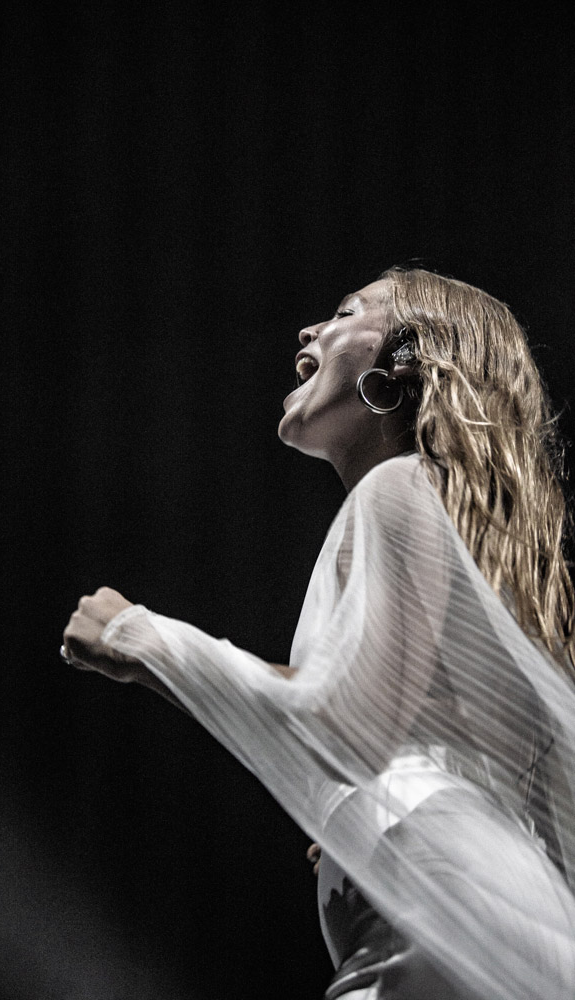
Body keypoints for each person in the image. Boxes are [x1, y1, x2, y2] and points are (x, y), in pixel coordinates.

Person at [62, 268, 575, 999]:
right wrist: (361, 806)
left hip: (445, 913)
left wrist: (140, 638)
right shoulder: (454, 525)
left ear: (404, 364)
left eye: (345, 312)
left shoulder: (398, 487)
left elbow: (344, 721)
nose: (309, 330)